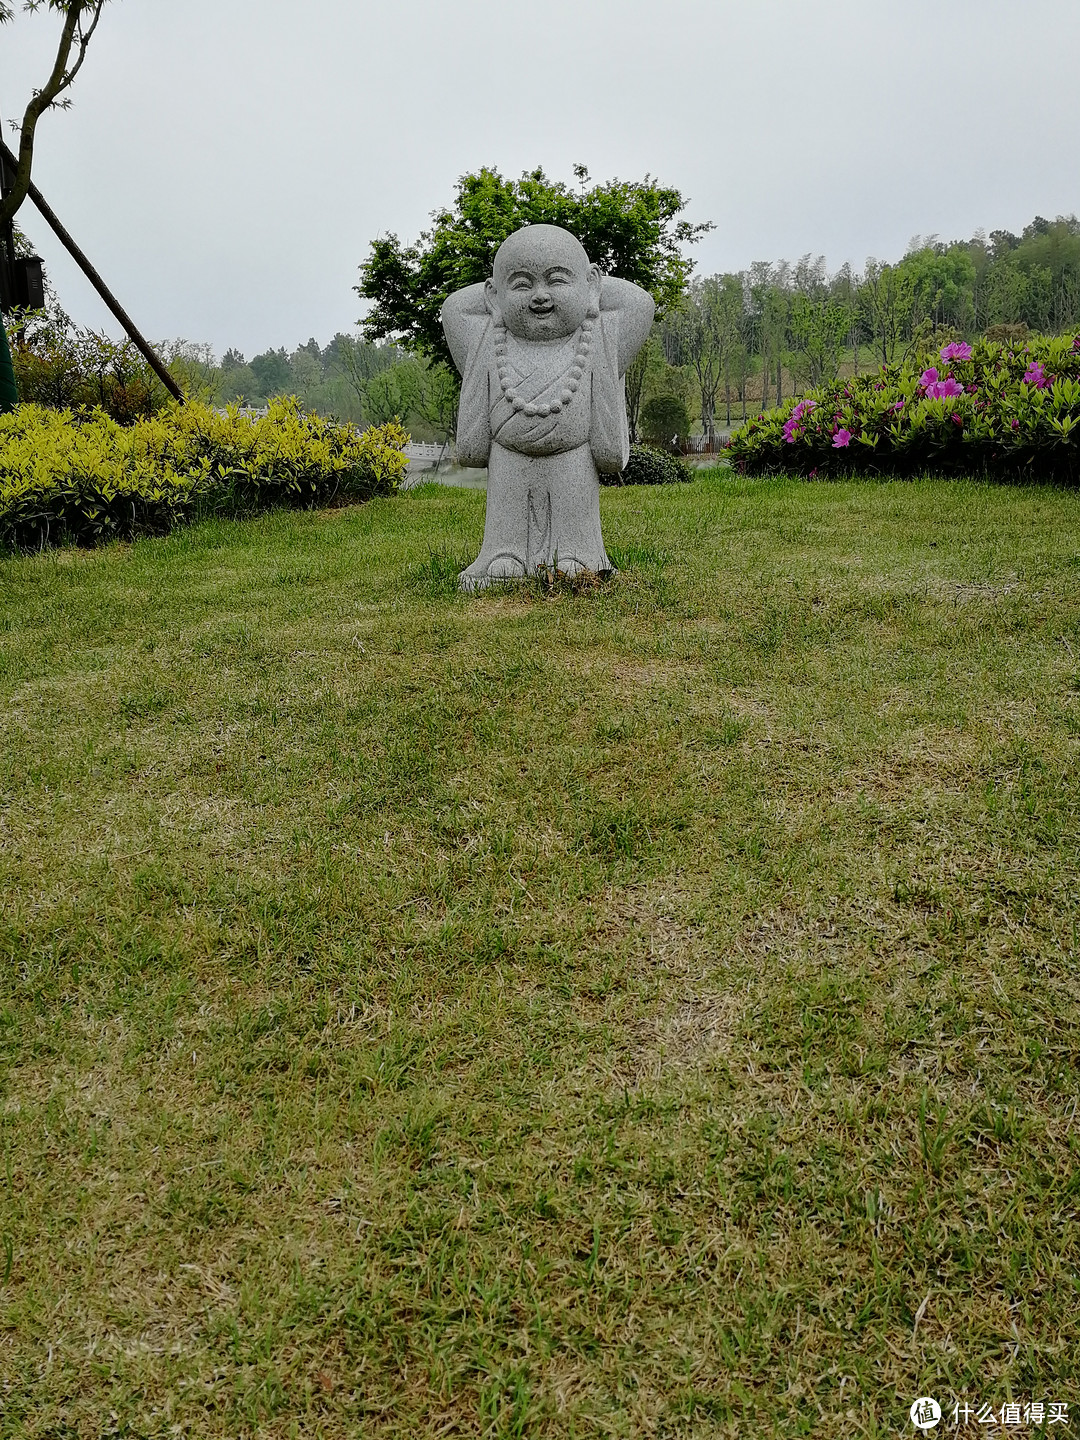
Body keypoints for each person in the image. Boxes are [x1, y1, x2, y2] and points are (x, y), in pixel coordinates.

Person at [441, 224, 653, 589]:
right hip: (508, 455)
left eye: (556, 281)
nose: (540, 296)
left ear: (591, 285)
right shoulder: (490, 341)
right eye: (522, 284)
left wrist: (591, 291)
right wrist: (497, 296)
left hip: (574, 456)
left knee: (574, 518)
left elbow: (639, 303)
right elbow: (455, 307)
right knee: (506, 516)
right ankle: (504, 553)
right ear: (493, 296)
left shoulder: (595, 337)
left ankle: (578, 552)